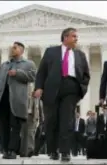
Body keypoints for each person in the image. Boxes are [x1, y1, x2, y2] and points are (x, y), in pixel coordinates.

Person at [34, 27, 90, 162]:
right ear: (65, 37)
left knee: (67, 121)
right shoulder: (51, 52)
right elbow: (42, 71)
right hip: (51, 89)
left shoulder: (80, 55)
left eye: (76, 36)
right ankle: (53, 151)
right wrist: (39, 87)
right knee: (51, 121)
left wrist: (80, 89)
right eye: (74, 36)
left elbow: (86, 75)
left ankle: (65, 151)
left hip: (71, 88)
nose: (76, 39)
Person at [0, 41, 36, 159]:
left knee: (15, 126)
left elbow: (33, 77)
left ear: (21, 50)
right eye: (11, 48)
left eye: (14, 48)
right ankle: (5, 149)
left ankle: (12, 150)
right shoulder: (4, 65)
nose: (11, 49)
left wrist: (18, 73)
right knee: (3, 125)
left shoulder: (28, 64)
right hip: (2, 99)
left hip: (17, 99)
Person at [20, 83, 44, 157]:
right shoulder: (25, 97)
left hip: (33, 118)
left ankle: (30, 150)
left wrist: (42, 120)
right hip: (24, 116)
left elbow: (40, 110)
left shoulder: (38, 99)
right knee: (23, 134)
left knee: (31, 134)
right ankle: (23, 151)